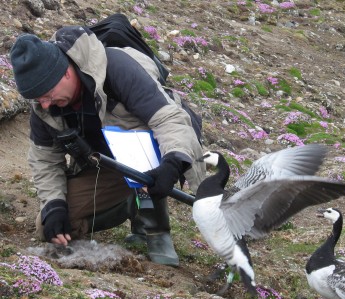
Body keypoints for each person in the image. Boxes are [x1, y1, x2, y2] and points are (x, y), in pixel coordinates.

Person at [10, 24, 205, 267]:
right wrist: (54, 205)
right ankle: (125, 204)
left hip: (154, 152)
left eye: (48, 95)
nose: (45, 105)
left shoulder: (118, 67)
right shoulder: (44, 106)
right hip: (106, 164)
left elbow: (168, 118)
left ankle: (156, 229)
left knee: (148, 146)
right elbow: (44, 159)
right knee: (48, 225)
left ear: (66, 73)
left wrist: (174, 162)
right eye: (39, 99)